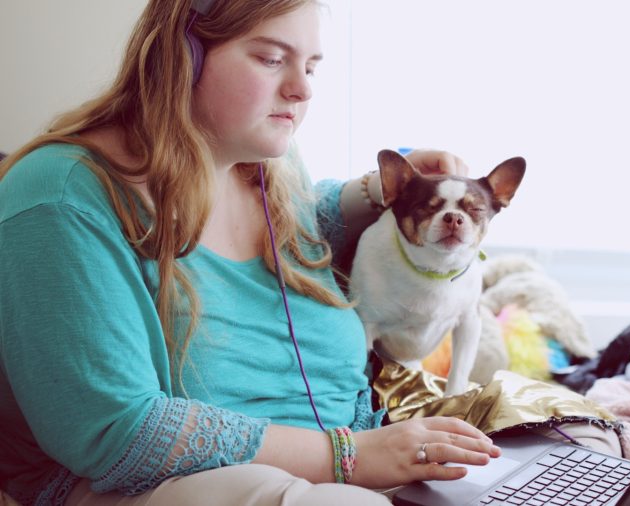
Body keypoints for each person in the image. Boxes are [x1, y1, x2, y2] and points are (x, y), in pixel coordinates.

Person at [0, 1, 506, 505]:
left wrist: (382, 190)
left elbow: (305, 229)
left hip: (355, 460)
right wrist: (349, 455)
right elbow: (119, 431)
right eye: (271, 59)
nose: (303, 89)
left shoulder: (263, 164)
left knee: (528, 458)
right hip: (160, 485)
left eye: (311, 67)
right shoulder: (60, 199)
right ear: (183, 57)